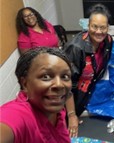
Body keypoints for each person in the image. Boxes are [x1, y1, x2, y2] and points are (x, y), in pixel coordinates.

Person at [16, 7, 78, 137]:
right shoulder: (24, 37)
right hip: (44, 68)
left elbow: (56, 43)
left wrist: (72, 116)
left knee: (65, 89)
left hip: (57, 61)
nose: (29, 17)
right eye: (25, 17)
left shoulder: (47, 25)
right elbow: (29, 62)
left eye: (31, 14)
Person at [0, 48, 72, 143]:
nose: (59, 85)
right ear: (25, 84)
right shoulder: (18, 114)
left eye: (65, 76)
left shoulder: (56, 108)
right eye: (46, 77)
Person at [63, 3, 113, 117]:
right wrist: (71, 115)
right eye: (94, 26)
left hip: (91, 89)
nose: (99, 31)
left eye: (103, 27)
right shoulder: (76, 48)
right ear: (88, 25)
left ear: (108, 27)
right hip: (74, 96)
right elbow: (67, 84)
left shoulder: (108, 40)